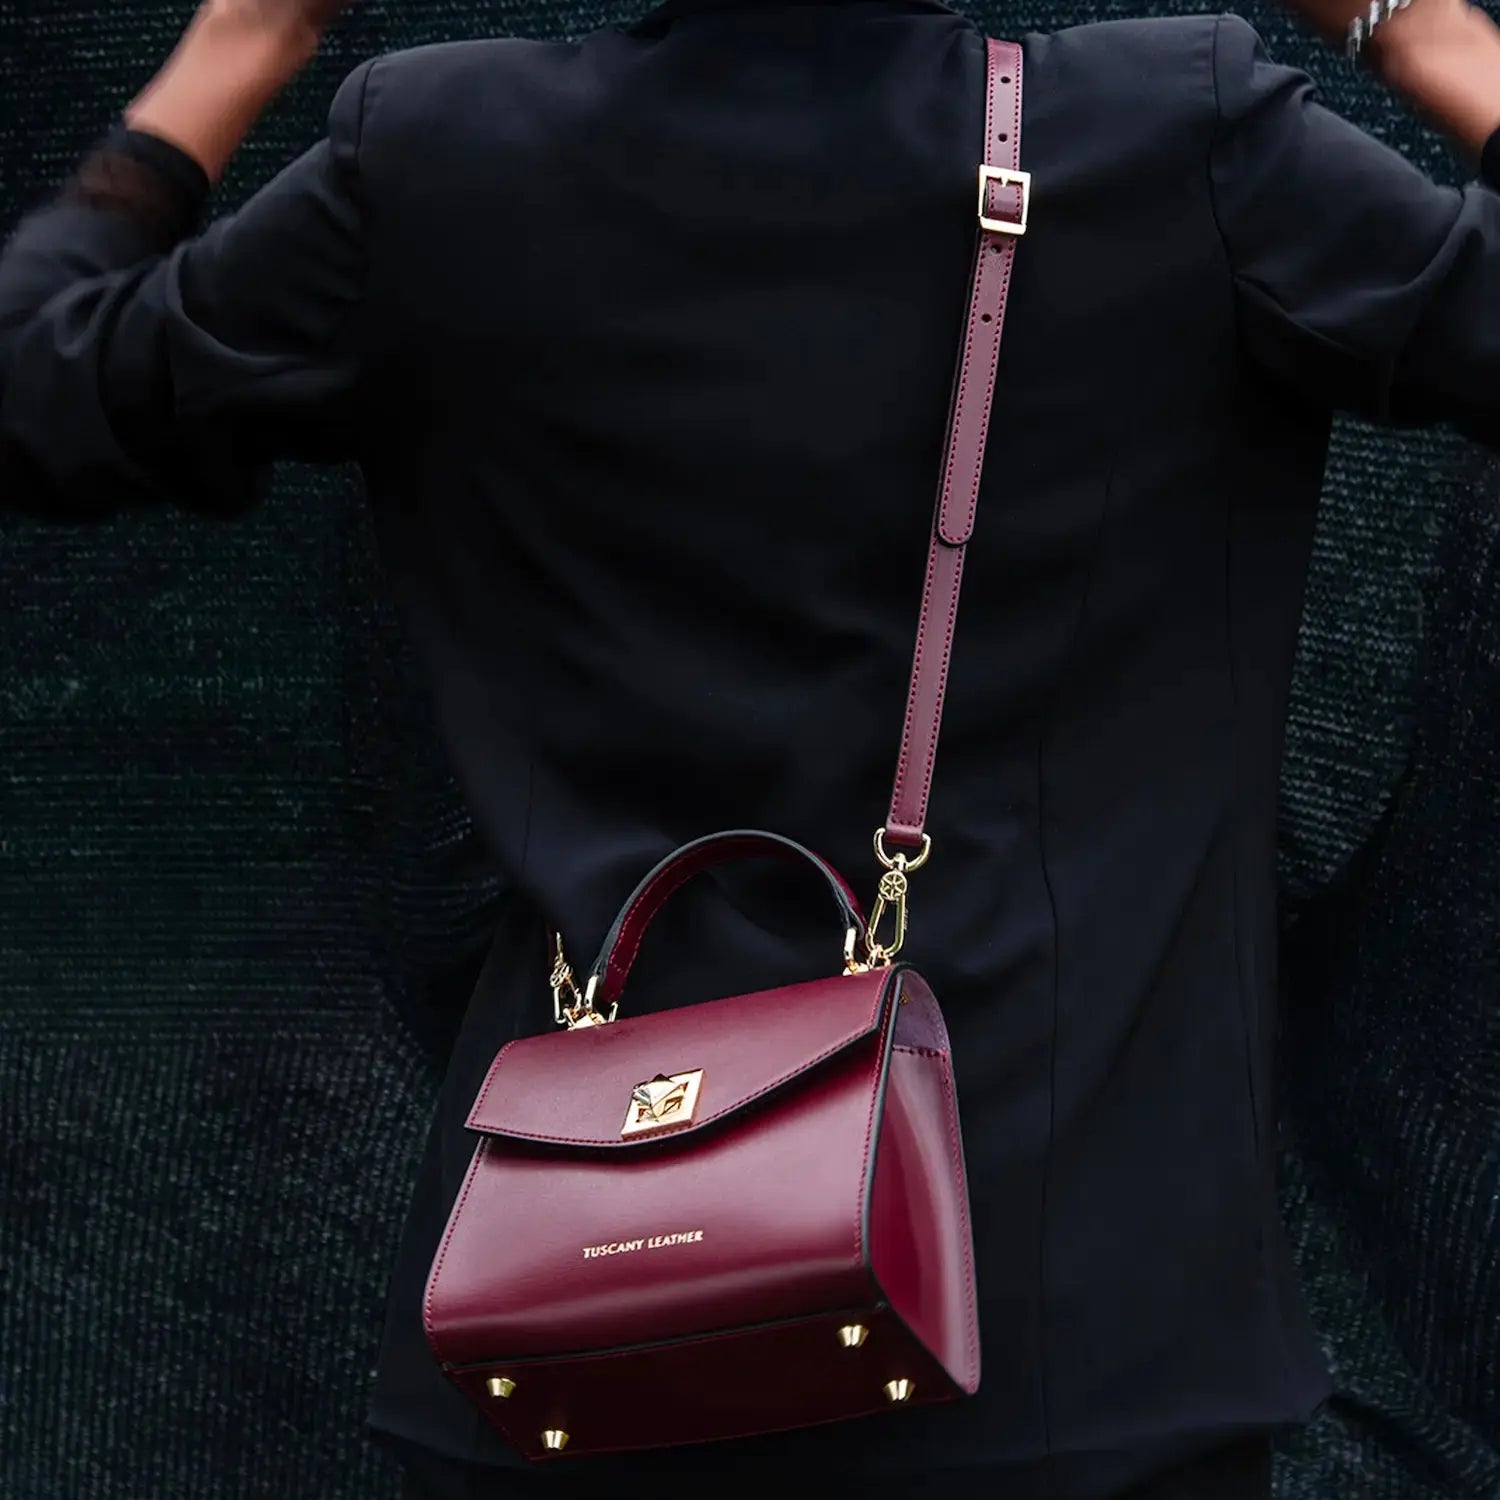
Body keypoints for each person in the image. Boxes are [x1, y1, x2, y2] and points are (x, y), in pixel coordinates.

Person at [3, 0, 1499, 1495]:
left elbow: (39, 380)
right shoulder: (1176, 137)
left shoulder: (438, 164)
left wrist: (243, 43)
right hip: (1090, 1370)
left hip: (581, 1337)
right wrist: (1412, 26)